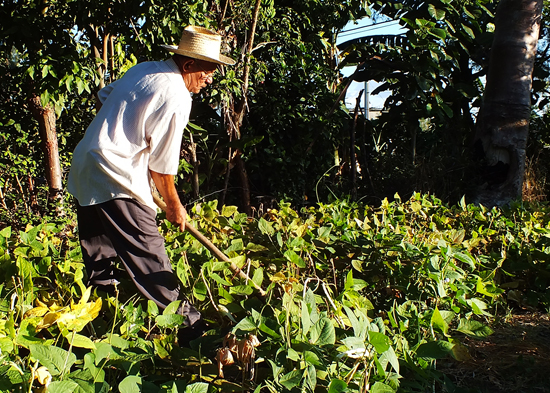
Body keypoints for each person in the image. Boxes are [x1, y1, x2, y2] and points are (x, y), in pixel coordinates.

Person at [67, 26, 235, 329]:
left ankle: (102, 321)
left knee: (99, 252)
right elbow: (162, 165)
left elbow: (103, 98)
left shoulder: (145, 70)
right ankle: (192, 330)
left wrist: (123, 132)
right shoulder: (177, 96)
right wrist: (173, 205)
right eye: (208, 71)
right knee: (149, 255)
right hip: (115, 174)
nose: (210, 79)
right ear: (188, 65)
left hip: (86, 164)